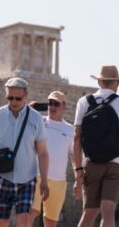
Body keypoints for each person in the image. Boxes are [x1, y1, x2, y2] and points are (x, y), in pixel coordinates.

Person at [0, 77, 49, 227]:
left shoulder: (36, 118)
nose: (13, 102)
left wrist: (45, 181)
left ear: (26, 95)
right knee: (1, 224)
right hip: (1, 177)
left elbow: (42, 153)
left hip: (26, 179)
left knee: (23, 223)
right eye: (10, 98)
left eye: (18, 98)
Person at [73, 66, 119, 227]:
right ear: (117, 83)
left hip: (92, 162)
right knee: (108, 212)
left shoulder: (84, 102)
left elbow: (76, 137)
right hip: (116, 164)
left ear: (99, 82)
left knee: (89, 212)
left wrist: (78, 168)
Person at [30, 91, 75, 227]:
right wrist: (31, 108)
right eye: (50, 103)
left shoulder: (70, 129)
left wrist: (78, 176)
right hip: (36, 175)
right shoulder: (39, 121)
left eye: (56, 104)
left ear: (64, 106)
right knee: (31, 212)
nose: (52, 107)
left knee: (51, 220)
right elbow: (21, 117)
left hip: (58, 180)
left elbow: (73, 154)